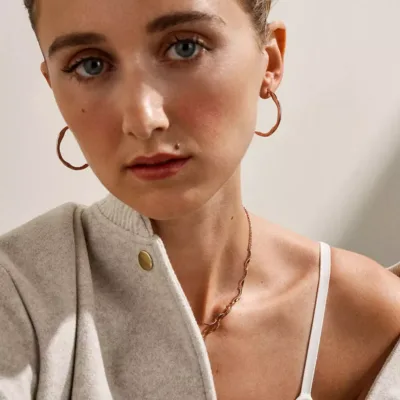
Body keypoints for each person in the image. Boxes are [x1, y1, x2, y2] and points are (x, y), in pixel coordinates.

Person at [0, 0, 399, 399]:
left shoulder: (373, 318)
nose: (143, 119)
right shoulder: (17, 296)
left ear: (271, 61)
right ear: (53, 85)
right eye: (90, 65)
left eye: (185, 47)